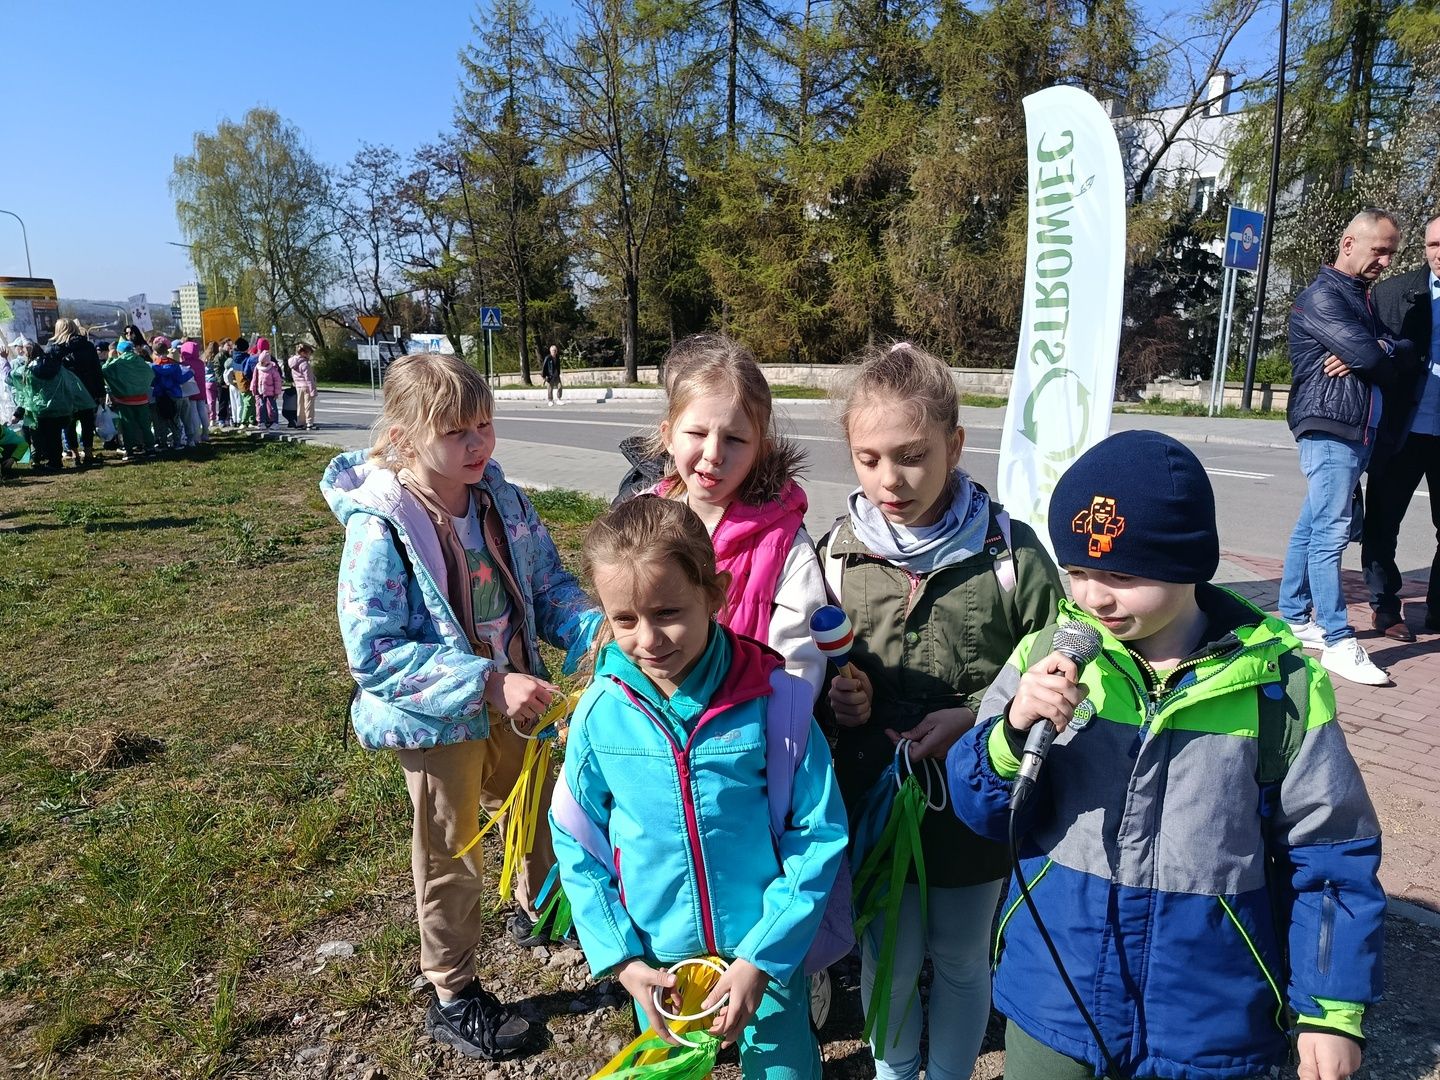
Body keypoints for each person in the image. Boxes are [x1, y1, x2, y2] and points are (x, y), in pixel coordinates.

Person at [950, 429, 1385, 1080]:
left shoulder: (1282, 688)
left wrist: (1330, 1009)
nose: (1093, 597)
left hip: (1206, 1023)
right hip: (1055, 998)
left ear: (1188, 563)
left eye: (1120, 575)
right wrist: (1012, 732)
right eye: (1079, 571)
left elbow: (1330, 854)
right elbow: (980, 810)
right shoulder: (1046, 659)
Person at [320, 353, 602, 1062]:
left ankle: (543, 910)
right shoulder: (380, 526)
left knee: (540, 805)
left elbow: (548, 586)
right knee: (452, 851)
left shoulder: (499, 500)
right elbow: (376, 653)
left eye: (485, 425)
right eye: (457, 433)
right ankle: (453, 991)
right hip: (441, 720)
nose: (478, 445)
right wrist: (485, 683)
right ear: (406, 438)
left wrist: (599, 629)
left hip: (517, 701)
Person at [819, 343, 1063, 1080]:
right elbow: (810, 677)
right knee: (888, 956)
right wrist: (846, 700)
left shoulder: (1012, 557)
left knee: (960, 956)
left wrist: (976, 719)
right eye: (868, 459)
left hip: (973, 801)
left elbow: (1051, 672)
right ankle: (896, 1071)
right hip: (874, 799)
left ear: (955, 446)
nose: (889, 480)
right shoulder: (836, 556)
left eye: (912, 456)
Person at [552, 495, 848, 1079]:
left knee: (783, 1067)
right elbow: (576, 837)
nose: (649, 639)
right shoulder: (599, 714)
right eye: (625, 620)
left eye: (668, 612)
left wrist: (764, 955)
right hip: (662, 965)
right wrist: (622, 958)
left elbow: (817, 835)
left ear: (715, 593)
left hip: (764, 953)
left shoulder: (777, 703)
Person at [646, 333, 828, 699]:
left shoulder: (784, 545)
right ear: (668, 436)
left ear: (762, 450)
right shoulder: (641, 520)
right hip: (649, 730)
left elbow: (799, 667)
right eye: (697, 432)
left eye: (735, 439)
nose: (713, 454)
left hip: (742, 736)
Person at [1279, 208, 1416, 686]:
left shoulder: (1360, 297)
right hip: (1331, 425)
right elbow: (1368, 357)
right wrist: (1375, 351)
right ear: (1348, 243)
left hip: (1351, 428)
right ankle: (1337, 640)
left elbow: (1391, 351)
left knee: (1313, 524)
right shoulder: (1323, 297)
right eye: (1378, 250)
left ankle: (1294, 616)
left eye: (1391, 253)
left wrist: (1380, 347)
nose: (1385, 261)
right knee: (1330, 534)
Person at [1363, 211, 1440, 639]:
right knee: (1382, 524)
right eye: (1433, 245)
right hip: (1402, 431)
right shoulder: (1394, 293)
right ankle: (1385, 608)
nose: (1439, 254)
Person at [11, 340, 95, 472]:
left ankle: (48, 461)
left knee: (42, 436)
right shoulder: (56, 366)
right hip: (60, 406)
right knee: (55, 436)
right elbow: (70, 382)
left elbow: (20, 386)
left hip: (40, 408)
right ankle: (55, 461)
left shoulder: (29, 370)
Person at [50, 318, 105, 467]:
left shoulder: (55, 348)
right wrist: (101, 391)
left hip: (65, 391)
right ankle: (88, 453)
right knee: (87, 423)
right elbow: (96, 370)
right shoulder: (87, 346)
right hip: (88, 389)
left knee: (69, 424)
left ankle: (75, 455)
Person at [103, 340, 155, 461]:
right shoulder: (140, 361)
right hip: (142, 399)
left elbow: (105, 371)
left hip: (125, 400)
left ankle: (129, 451)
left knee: (127, 426)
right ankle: (150, 448)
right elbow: (150, 374)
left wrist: (110, 358)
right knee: (145, 426)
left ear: (119, 351)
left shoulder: (118, 362)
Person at [149, 338, 188, 451]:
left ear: (155, 353)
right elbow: (180, 380)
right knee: (174, 419)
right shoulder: (175, 366)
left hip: (160, 395)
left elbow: (152, 382)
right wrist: (190, 373)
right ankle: (177, 442)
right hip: (174, 394)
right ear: (167, 351)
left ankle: (163, 443)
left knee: (161, 420)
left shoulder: (154, 367)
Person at [177, 338, 209, 444]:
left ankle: (196, 436)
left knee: (193, 413)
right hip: (202, 391)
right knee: (203, 412)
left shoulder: (185, 364)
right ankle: (206, 432)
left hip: (191, 391)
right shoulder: (200, 363)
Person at [251, 347, 283, 430]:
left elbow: (277, 381)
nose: (261, 363)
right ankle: (262, 422)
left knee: (272, 407)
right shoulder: (257, 368)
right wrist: (253, 389)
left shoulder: (272, 369)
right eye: (260, 361)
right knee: (261, 407)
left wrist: (276, 392)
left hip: (270, 392)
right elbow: (255, 379)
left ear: (267, 361)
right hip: (260, 391)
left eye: (263, 361)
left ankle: (274, 422)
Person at [289, 342, 318, 429]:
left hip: (298, 386)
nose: (309, 355)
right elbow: (309, 379)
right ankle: (309, 422)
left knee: (300, 405)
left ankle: (300, 422)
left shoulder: (293, 363)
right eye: (309, 353)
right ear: (303, 353)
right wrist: (313, 390)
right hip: (306, 387)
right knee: (308, 405)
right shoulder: (304, 364)